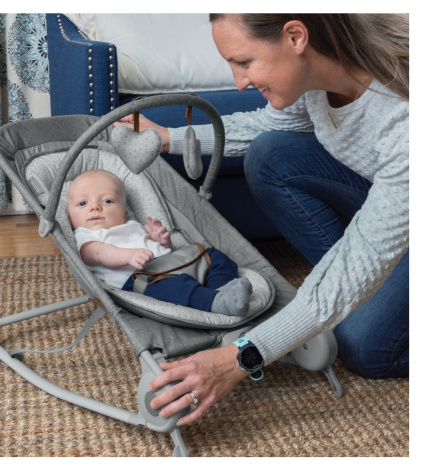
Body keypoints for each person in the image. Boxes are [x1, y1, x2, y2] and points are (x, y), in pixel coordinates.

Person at [115, 14, 409, 426]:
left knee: (364, 345)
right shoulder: (318, 79)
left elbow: (361, 258)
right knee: (270, 155)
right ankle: (362, 293)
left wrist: (241, 357)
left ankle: (361, 297)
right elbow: (262, 127)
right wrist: (166, 138)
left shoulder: (403, 120)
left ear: (295, 37)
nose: (239, 83)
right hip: (394, 203)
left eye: (244, 62)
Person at [67, 169, 253, 316]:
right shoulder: (85, 235)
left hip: (170, 265)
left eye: (107, 201)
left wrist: (163, 243)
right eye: (83, 203)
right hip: (141, 280)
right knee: (177, 287)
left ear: (124, 213)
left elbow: (161, 253)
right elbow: (97, 254)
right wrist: (128, 256)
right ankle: (216, 303)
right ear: (69, 216)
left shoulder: (132, 225)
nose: (95, 207)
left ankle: (221, 290)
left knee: (214, 255)